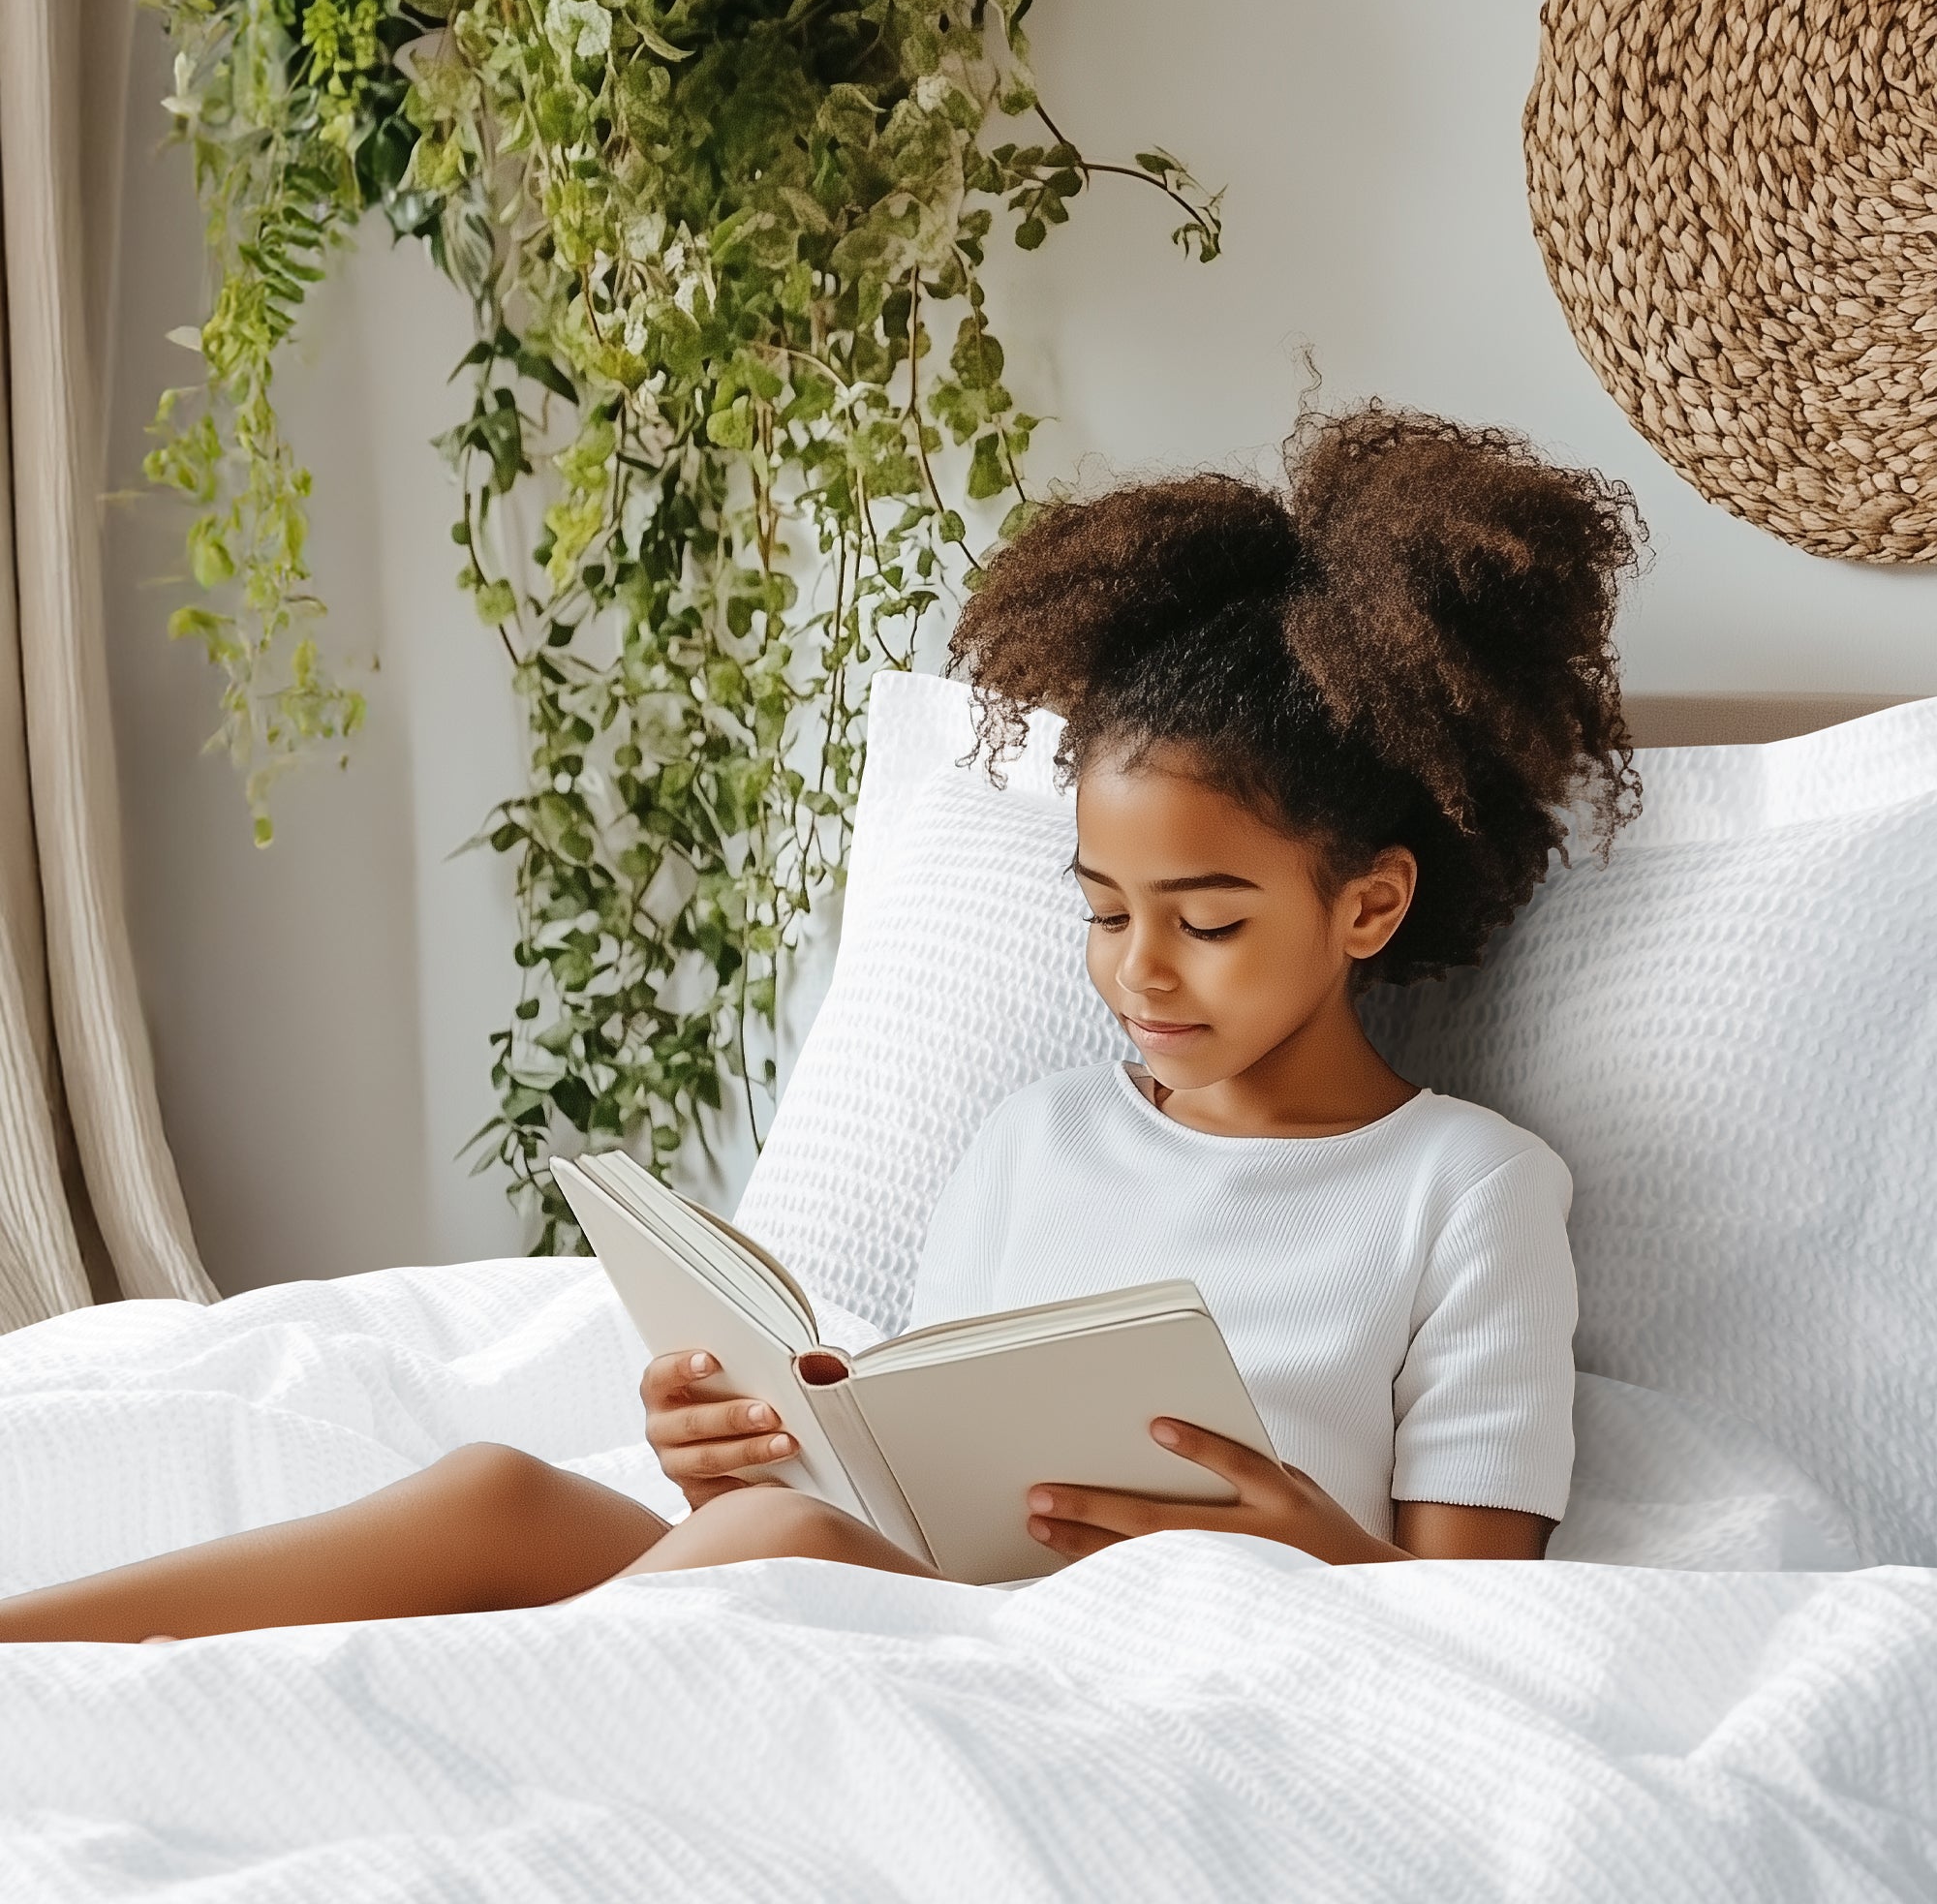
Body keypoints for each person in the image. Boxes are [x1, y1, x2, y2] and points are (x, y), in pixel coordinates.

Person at [0, 405, 1642, 1642]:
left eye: (1207, 923)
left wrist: (1301, 1544)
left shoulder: (1468, 1192)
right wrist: (749, 1455)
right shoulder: (1034, 1136)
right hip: (891, 1595)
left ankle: (480, 1697)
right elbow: (913, 1474)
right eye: (1102, 911)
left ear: (1367, 903)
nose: (1141, 971)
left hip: (1137, 1658)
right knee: (498, 1491)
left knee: (757, 1559)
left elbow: (1481, 1621)